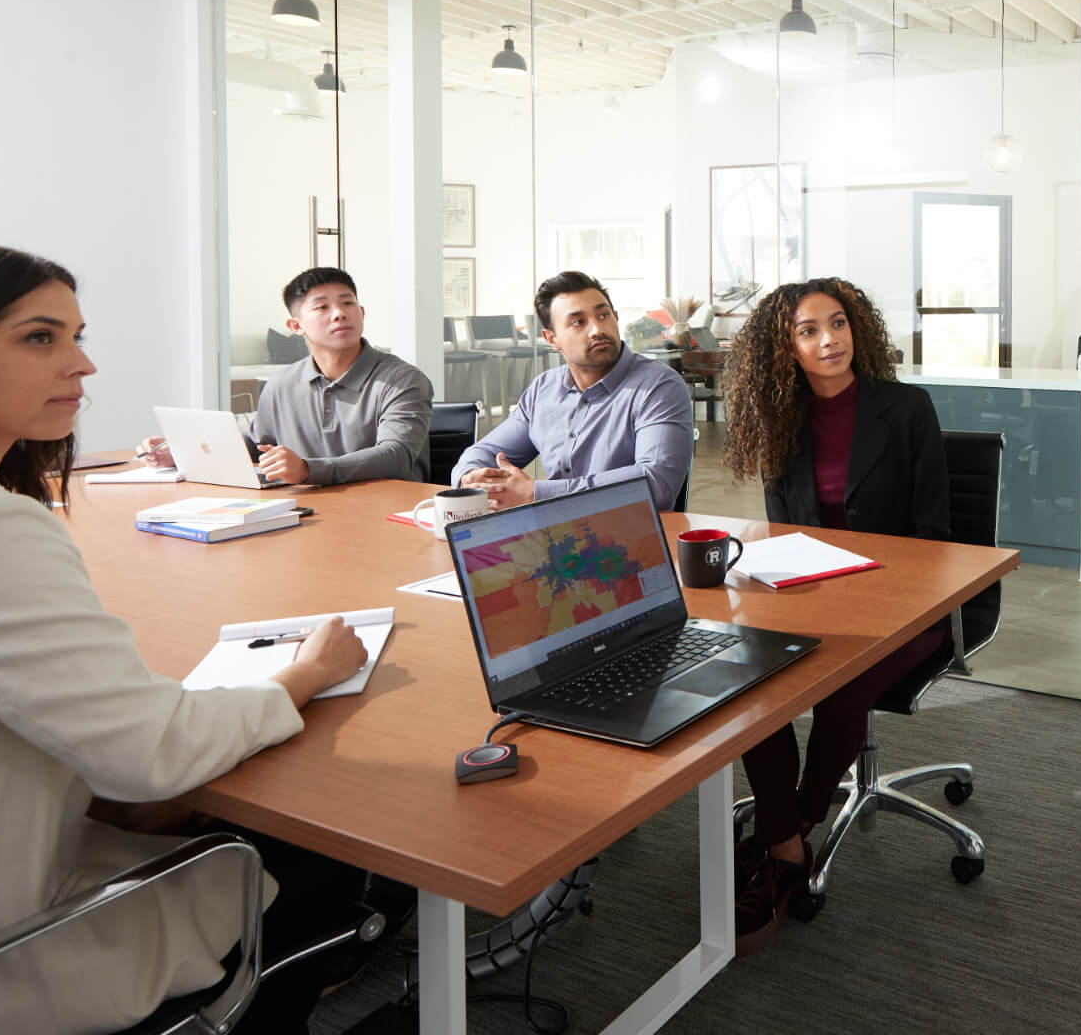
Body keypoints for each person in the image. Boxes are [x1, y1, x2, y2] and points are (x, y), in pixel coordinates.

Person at [0, 245, 375, 1033]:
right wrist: (306, 673)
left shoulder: (395, 377)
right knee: (327, 847)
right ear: (298, 322)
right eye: (41, 338)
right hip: (18, 941)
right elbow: (153, 751)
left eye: (76, 335)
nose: (84, 364)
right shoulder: (3, 534)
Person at [720, 276, 952, 954]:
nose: (829, 341)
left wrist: (879, 594)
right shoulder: (781, 419)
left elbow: (937, 537)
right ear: (784, 349)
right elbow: (786, 536)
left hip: (911, 604)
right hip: (814, 596)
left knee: (842, 694)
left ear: (858, 329)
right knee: (752, 684)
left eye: (839, 324)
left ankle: (790, 837)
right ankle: (786, 840)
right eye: (809, 330)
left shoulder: (907, 408)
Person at [144, 266, 432, 484]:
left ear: (362, 312)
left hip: (386, 515)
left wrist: (309, 469)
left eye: (347, 303)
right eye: (322, 307)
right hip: (308, 514)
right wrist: (183, 451)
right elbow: (258, 446)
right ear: (296, 326)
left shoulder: (402, 380)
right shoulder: (281, 384)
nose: (339, 314)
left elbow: (396, 456)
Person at [450, 270, 693, 510]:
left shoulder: (659, 386)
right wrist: (470, 479)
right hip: (554, 534)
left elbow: (657, 484)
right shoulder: (544, 390)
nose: (597, 329)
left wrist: (536, 493)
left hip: (630, 538)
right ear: (551, 339)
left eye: (603, 315)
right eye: (578, 322)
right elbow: (483, 452)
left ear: (616, 318)